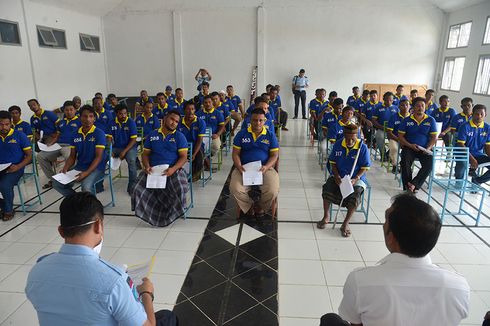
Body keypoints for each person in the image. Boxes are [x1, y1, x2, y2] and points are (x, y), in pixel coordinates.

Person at [25, 192, 178, 326]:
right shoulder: (114, 281)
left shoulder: (37, 271)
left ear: (61, 231)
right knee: (167, 317)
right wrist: (147, 295)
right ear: (98, 225)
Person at [320, 193, 470, 326]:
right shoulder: (459, 286)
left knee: (330, 320)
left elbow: (356, 323)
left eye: (386, 221)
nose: (383, 225)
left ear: (391, 238)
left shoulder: (361, 281)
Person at [132, 110, 189, 227]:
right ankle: (150, 213)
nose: (174, 123)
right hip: (153, 169)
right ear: (165, 118)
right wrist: (146, 166)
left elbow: (183, 157)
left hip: (173, 169)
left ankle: (173, 213)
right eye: (172, 119)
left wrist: (173, 169)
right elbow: (145, 154)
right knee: (137, 188)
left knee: (181, 188)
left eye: (177, 122)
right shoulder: (152, 135)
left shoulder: (179, 136)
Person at [317, 124, 370, 237]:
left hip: (356, 178)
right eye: (348, 138)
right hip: (339, 176)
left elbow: (365, 167)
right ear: (344, 135)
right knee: (327, 188)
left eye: (353, 138)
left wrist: (356, 178)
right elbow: (333, 163)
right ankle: (326, 216)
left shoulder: (362, 147)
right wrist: (336, 176)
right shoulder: (338, 144)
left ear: (357, 136)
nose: (350, 141)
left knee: (355, 197)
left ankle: (345, 223)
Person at [230, 107, 279, 217]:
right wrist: (238, 166)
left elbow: (274, 155)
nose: (257, 123)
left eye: (260, 120)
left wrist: (266, 167)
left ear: (264, 121)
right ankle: (249, 205)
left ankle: (260, 206)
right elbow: (235, 153)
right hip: (243, 167)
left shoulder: (270, 135)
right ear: (250, 120)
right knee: (235, 188)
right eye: (255, 120)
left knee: (272, 190)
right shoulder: (241, 134)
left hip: (265, 168)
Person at [52, 105, 107, 196]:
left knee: (86, 187)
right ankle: (77, 200)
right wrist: (66, 168)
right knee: (57, 184)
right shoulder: (75, 134)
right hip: (79, 167)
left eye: (91, 116)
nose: (88, 119)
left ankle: (92, 208)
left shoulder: (99, 133)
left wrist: (86, 173)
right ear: (80, 118)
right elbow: (72, 156)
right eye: (85, 116)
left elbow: (98, 157)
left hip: (97, 168)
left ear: (94, 119)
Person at [38, 101, 81, 189]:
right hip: (58, 145)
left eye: (71, 110)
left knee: (68, 156)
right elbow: (57, 135)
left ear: (75, 110)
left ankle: (71, 178)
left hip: (70, 146)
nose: (69, 112)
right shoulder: (61, 122)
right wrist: (50, 144)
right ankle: (54, 179)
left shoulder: (79, 121)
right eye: (66, 110)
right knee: (40, 156)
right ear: (64, 111)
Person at [398, 97, 437, 193]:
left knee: (430, 162)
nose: (420, 108)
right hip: (409, 147)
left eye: (422, 106)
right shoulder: (406, 120)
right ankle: (407, 187)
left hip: (425, 148)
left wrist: (428, 148)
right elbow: (400, 136)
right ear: (413, 107)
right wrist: (410, 145)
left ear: (425, 107)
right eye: (418, 106)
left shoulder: (431, 120)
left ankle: (414, 184)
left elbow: (434, 137)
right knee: (405, 162)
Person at [0, 110, 32, 221]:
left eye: (6, 124)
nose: (4, 127)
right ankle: (3, 206)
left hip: (15, 168)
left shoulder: (19, 135)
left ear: (11, 123)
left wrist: (18, 167)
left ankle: (8, 210)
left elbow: (29, 156)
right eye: (1, 124)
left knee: (4, 185)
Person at [455, 104, 490, 185]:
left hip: (478, 154)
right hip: (462, 153)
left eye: (482, 114)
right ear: (472, 114)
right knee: (462, 165)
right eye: (477, 114)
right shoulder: (465, 126)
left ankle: (477, 181)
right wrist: (471, 159)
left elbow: (487, 145)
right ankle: (458, 182)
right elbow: (461, 144)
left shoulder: (487, 128)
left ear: (485, 115)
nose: (479, 116)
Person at [109, 104, 138, 194]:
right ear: (116, 114)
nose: (123, 116)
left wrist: (124, 151)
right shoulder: (111, 122)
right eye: (121, 114)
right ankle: (99, 185)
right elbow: (109, 138)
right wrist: (110, 150)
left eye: (125, 113)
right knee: (103, 156)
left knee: (132, 161)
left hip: (129, 147)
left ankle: (132, 186)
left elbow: (133, 140)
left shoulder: (130, 122)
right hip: (116, 147)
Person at [178, 101, 206, 181]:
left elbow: (199, 140)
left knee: (198, 157)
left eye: (192, 109)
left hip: (196, 146)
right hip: (182, 146)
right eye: (188, 109)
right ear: (184, 110)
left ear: (195, 110)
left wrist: (194, 153)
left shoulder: (200, 122)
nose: (190, 111)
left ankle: (195, 175)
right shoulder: (179, 122)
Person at [196, 95, 225, 160]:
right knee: (197, 146)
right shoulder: (198, 114)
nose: (208, 104)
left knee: (216, 146)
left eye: (209, 102)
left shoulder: (218, 113)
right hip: (201, 136)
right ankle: (205, 160)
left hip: (213, 136)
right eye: (205, 102)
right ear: (203, 104)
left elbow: (222, 126)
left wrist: (217, 134)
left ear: (212, 103)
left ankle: (206, 158)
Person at [372, 92, 398, 161]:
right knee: (379, 136)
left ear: (393, 100)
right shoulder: (378, 108)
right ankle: (383, 154)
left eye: (391, 100)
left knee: (397, 140)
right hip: (382, 128)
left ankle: (389, 154)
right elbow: (374, 121)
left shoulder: (396, 108)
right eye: (387, 100)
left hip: (393, 130)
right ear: (383, 99)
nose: (388, 102)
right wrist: (383, 128)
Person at [387, 98, 411, 173]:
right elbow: (389, 132)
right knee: (394, 148)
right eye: (402, 105)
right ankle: (395, 165)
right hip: (395, 138)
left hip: (408, 139)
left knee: (410, 150)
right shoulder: (394, 117)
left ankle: (406, 166)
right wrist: (399, 140)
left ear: (409, 106)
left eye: (407, 105)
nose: (405, 107)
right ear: (399, 107)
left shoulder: (412, 117)